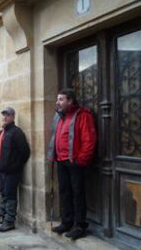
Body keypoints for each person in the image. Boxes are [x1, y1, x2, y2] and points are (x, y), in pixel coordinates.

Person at [47, 88, 97, 240]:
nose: (58, 102)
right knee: (65, 192)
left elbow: (89, 140)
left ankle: (80, 225)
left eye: (61, 99)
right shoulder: (59, 116)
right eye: (57, 99)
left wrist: (80, 161)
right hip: (61, 161)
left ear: (70, 101)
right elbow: (55, 136)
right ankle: (67, 222)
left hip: (75, 162)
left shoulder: (83, 115)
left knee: (78, 194)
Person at [0, 107, 30, 232]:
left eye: (8, 115)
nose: (5, 117)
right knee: (3, 193)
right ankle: (1, 215)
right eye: (4, 115)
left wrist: (14, 165)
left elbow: (25, 152)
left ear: (13, 117)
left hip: (12, 172)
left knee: (10, 195)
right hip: (2, 170)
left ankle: (9, 221)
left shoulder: (16, 132)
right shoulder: (2, 132)